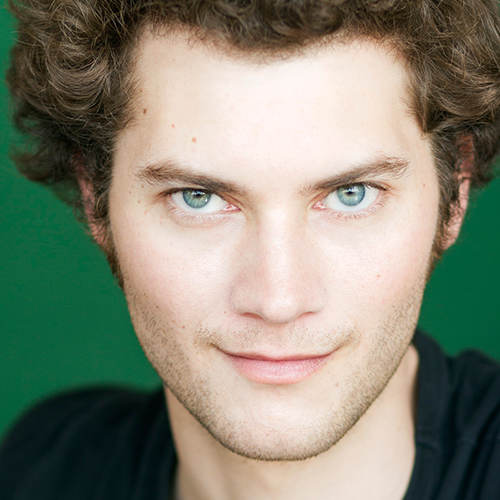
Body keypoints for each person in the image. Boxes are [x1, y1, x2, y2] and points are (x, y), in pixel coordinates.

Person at [2, 0, 500, 498]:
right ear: (95, 196)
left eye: (352, 194)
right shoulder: (47, 467)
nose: (277, 301)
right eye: (197, 198)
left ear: (454, 192)